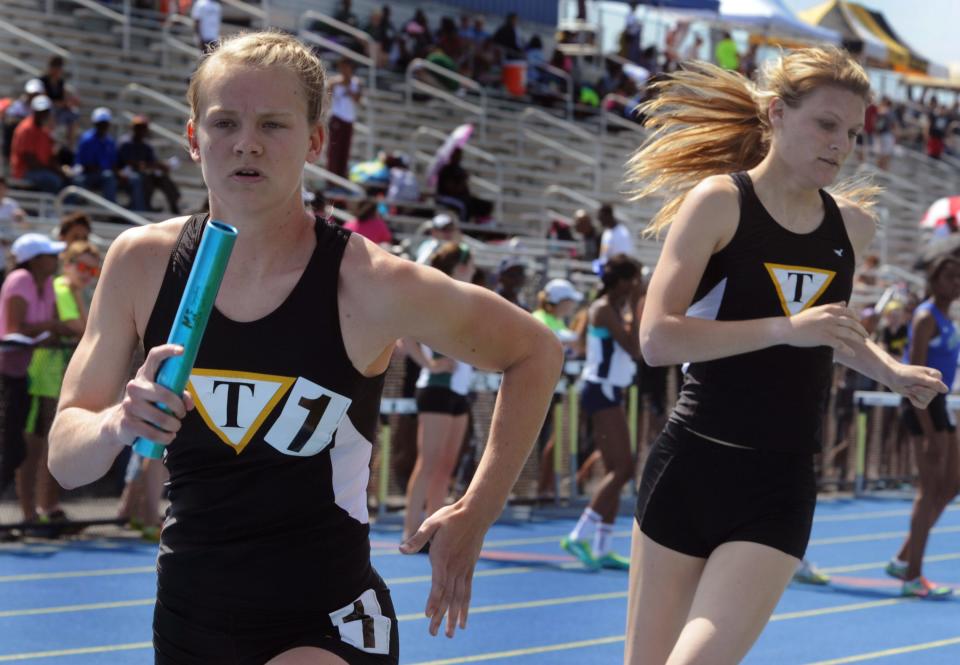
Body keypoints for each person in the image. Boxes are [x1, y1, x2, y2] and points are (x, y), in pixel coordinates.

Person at [46, 31, 562, 663]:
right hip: (188, 617)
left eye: (273, 124)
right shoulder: (141, 264)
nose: (247, 143)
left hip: (330, 621)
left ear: (316, 141)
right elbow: (67, 460)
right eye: (225, 122)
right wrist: (117, 425)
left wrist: (477, 510)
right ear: (192, 138)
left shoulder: (370, 282)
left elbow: (535, 351)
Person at [622, 47, 947, 664]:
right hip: (691, 466)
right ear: (776, 112)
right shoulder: (719, 202)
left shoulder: (852, 228)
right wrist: (783, 328)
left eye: (853, 132)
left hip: (780, 484)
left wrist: (890, 370)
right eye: (827, 124)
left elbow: (827, 333)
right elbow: (658, 338)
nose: (842, 144)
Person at [884, 256, 960, 599]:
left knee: (952, 484)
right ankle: (912, 576)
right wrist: (930, 434)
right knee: (929, 491)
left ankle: (903, 557)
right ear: (933, 280)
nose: (956, 281)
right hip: (920, 403)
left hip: (939, 402)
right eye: (949, 276)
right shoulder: (927, 315)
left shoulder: (947, 317)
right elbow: (913, 372)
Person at [561, 256, 640, 571]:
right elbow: (634, 347)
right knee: (624, 468)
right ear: (622, 282)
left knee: (615, 468)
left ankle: (603, 545)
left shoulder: (610, 308)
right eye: (635, 281)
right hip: (601, 390)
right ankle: (579, 534)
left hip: (608, 390)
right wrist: (638, 305)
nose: (638, 286)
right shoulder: (604, 309)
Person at [20, 240, 101, 531]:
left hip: (58, 376)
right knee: (41, 447)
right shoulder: (63, 289)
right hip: (46, 377)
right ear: (67, 264)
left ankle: (47, 508)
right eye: (82, 267)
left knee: (50, 446)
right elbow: (82, 328)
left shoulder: (72, 290)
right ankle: (41, 509)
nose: (87, 274)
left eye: (93, 270)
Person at [400, 242, 476, 545]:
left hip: (459, 389)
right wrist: (429, 363)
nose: (473, 269)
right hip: (436, 387)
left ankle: (433, 531)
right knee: (428, 462)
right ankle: (410, 531)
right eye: (468, 264)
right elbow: (406, 333)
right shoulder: (437, 296)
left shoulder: (466, 297)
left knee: (446, 466)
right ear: (458, 267)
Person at [0, 234, 71, 507]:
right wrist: (52, 327)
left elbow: (46, 326)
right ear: (35, 260)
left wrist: (51, 329)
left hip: (30, 375)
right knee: (13, 449)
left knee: (17, 449)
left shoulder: (49, 284)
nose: (55, 259)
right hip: (10, 376)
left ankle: (31, 515)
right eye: (49, 255)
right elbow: (14, 329)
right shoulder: (19, 280)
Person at [532, 278, 583, 499]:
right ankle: (541, 487)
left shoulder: (558, 322)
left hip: (553, 392)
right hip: (536, 391)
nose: (572, 305)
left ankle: (546, 487)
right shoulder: (540, 319)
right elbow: (569, 343)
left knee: (554, 439)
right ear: (559, 301)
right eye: (569, 301)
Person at [75, 107, 146, 210]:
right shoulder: (87, 140)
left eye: (105, 123)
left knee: (134, 178)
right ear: (95, 124)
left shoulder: (110, 141)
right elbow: (86, 166)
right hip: (89, 176)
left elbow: (113, 163)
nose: (103, 126)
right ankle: (112, 211)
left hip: (107, 174)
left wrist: (120, 174)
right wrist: (110, 171)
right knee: (108, 177)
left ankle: (138, 211)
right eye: (100, 123)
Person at [117, 115, 182, 214]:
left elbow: (151, 162)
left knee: (161, 177)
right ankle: (145, 207)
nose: (140, 130)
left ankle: (174, 204)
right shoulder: (125, 142)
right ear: (133, 128)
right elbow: (128, 162)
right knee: (144, 179)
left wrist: (160, 166)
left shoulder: (146, 145)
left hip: (142, 173)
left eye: (143, 128)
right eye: (138, 127)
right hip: (126, 174)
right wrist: (150, 165)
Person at [10, 95, 67, 194]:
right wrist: (54, 170)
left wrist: (60, 171)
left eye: (45, 112)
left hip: (41, 170)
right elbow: (30, 161)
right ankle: (58, 207)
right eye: (40, 112)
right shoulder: (26, 129)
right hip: (24, 171)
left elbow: (50, 157)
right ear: (34, 111)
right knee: (53, 180)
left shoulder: (45, 131)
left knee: (69, 180)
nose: (42, 115)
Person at [327, 58, 362, 179]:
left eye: (347, 67)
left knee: (345, 150)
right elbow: (327, 96)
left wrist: (349, 90)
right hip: (337, 118)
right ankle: (331, 177)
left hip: (349, 119)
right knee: (334, 150)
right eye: (342, 67)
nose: (344, 70)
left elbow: (358, 99)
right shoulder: (334, 82)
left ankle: (341, 177)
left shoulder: (356, 83)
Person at [40, 55, 81, 149]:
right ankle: (49, 141)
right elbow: (44, 99)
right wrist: (58, 103)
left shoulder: (60, 82)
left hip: (59, 108)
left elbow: (63, 99)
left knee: (74, 113)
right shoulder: (43, 81)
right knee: (51, 112)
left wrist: (68, 103)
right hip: (47, 109)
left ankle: (70, 144)